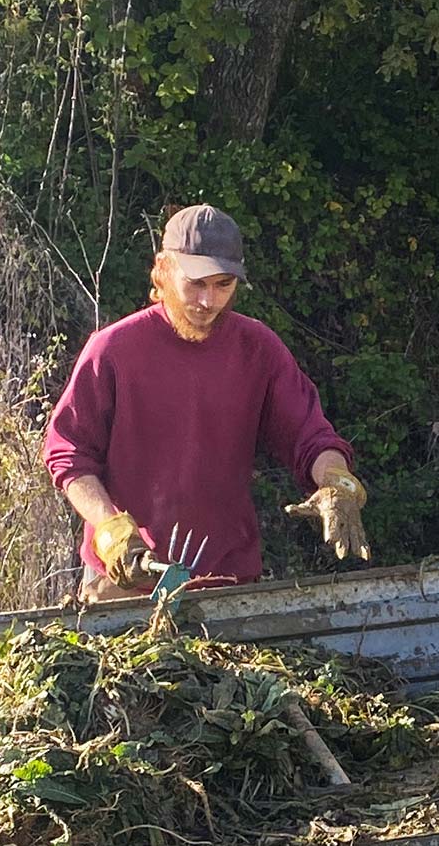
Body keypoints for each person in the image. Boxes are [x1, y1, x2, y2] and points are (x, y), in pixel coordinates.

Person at [42, 203, 370, 598]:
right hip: (126, 579)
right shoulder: (114, 349)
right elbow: (67, 453)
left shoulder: (257, 349)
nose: (208, 301)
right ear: (163, 270)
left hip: (226, 583)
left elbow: (309, 435)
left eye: (222, 285)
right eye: (195, 283)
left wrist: (336, 481)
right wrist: (110, 529)